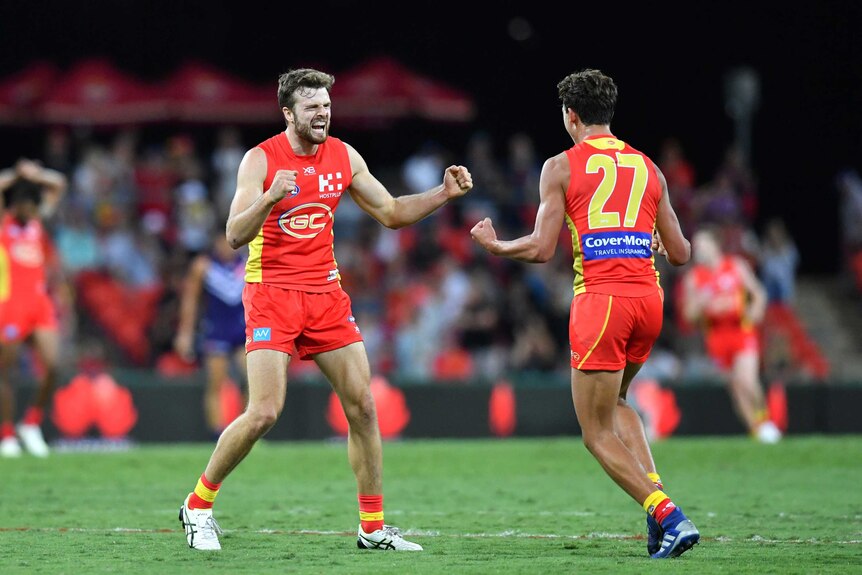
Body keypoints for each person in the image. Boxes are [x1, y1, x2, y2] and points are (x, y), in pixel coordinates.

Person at [178, 68, 473, 552]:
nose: (323, 113)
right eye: (312, 106)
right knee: (265, 412)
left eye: (327, 105)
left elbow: (393, 213)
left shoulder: (344, 155)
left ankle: (373, 528)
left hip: (326, 295)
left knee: (363, 406)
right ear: (289, 113)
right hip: (272, 292)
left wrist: (442, 194)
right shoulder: (260, 160)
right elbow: (233, 234)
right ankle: (199, 504)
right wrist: (271, 196)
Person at [470, 68, 699, 559]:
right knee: (618, 402)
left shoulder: (561, 165)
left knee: (595, 434)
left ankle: (667, 515)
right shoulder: (648, 167)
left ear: (571, 116)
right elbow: (680, 253)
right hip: (648, 302)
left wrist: (493, 246)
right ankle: (657, 513)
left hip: (602, 301)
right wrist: (652, 241)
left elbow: (538, 249)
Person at [682, 226, 782, 444]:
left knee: (747, 379)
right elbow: (689, 315)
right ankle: (757, 433)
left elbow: (758, 293)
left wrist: (756, 310)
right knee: (736, 387)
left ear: (714, 244)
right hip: (716, 337)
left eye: (702, 244)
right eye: (696, 245)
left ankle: (764, 420)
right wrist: (700, 302)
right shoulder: (694, 278)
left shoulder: (735, 266)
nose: (698, 249)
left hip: (741, 330)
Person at [0, 158, 68, 457]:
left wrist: (36, 174)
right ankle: (6, 434)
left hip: (39, 304)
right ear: (15, 206)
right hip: (9, 303)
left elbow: (59, 184)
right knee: (7, 374)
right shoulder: (4, 224)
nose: (32, 211)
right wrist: (16, 175)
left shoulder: (37, 224)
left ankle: (31, 422)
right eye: (27, 206)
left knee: (53, 365)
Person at [174, 234, 248, 438]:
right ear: (216, 243)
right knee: (216, 381)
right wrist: (185, 332)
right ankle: (218, 434)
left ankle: (247, 431)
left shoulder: (248, 263)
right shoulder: (203, 266)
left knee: (252, 377)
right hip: (217, 329)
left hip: (243, 328)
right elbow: (191, 299)